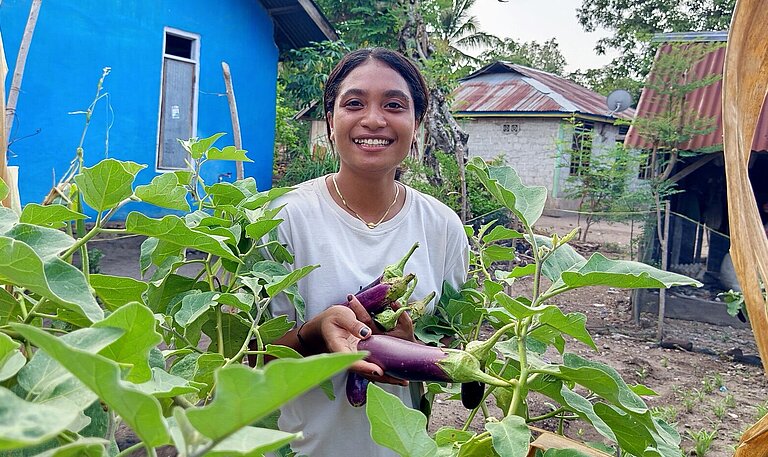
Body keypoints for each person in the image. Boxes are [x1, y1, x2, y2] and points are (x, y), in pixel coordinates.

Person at [266, 48, 469, 456]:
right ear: (329, 122)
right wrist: (314, 334)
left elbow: (454, 352)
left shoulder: (442, 225)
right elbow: (252, 362)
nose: (373, 119)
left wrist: (413, 351)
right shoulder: (283, 217)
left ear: (417, 125)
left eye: (394, 105)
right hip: (298, 447)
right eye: (354, 103)